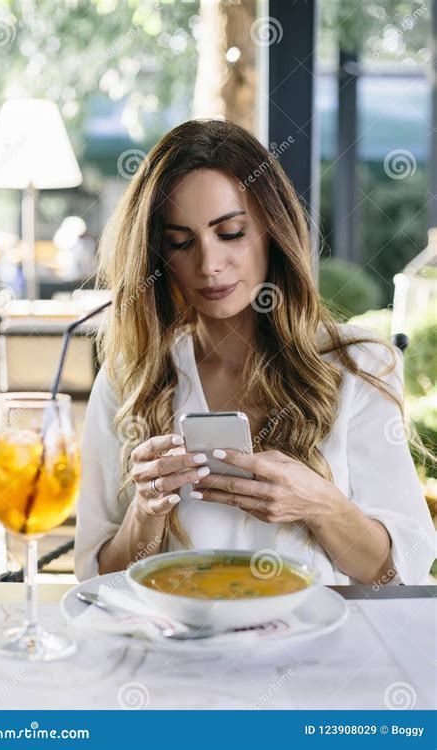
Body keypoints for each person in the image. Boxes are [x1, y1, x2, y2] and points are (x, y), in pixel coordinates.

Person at [74, 119, 435, 586]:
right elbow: (99, 582)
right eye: (180, 242)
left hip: (322, 653)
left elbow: (393, 577)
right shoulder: (131, 378)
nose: (208, 265)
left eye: (230, 233)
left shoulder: (358, 366)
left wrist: (319, 503)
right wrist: (145, 513)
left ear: (272, 230)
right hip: (188, 653)